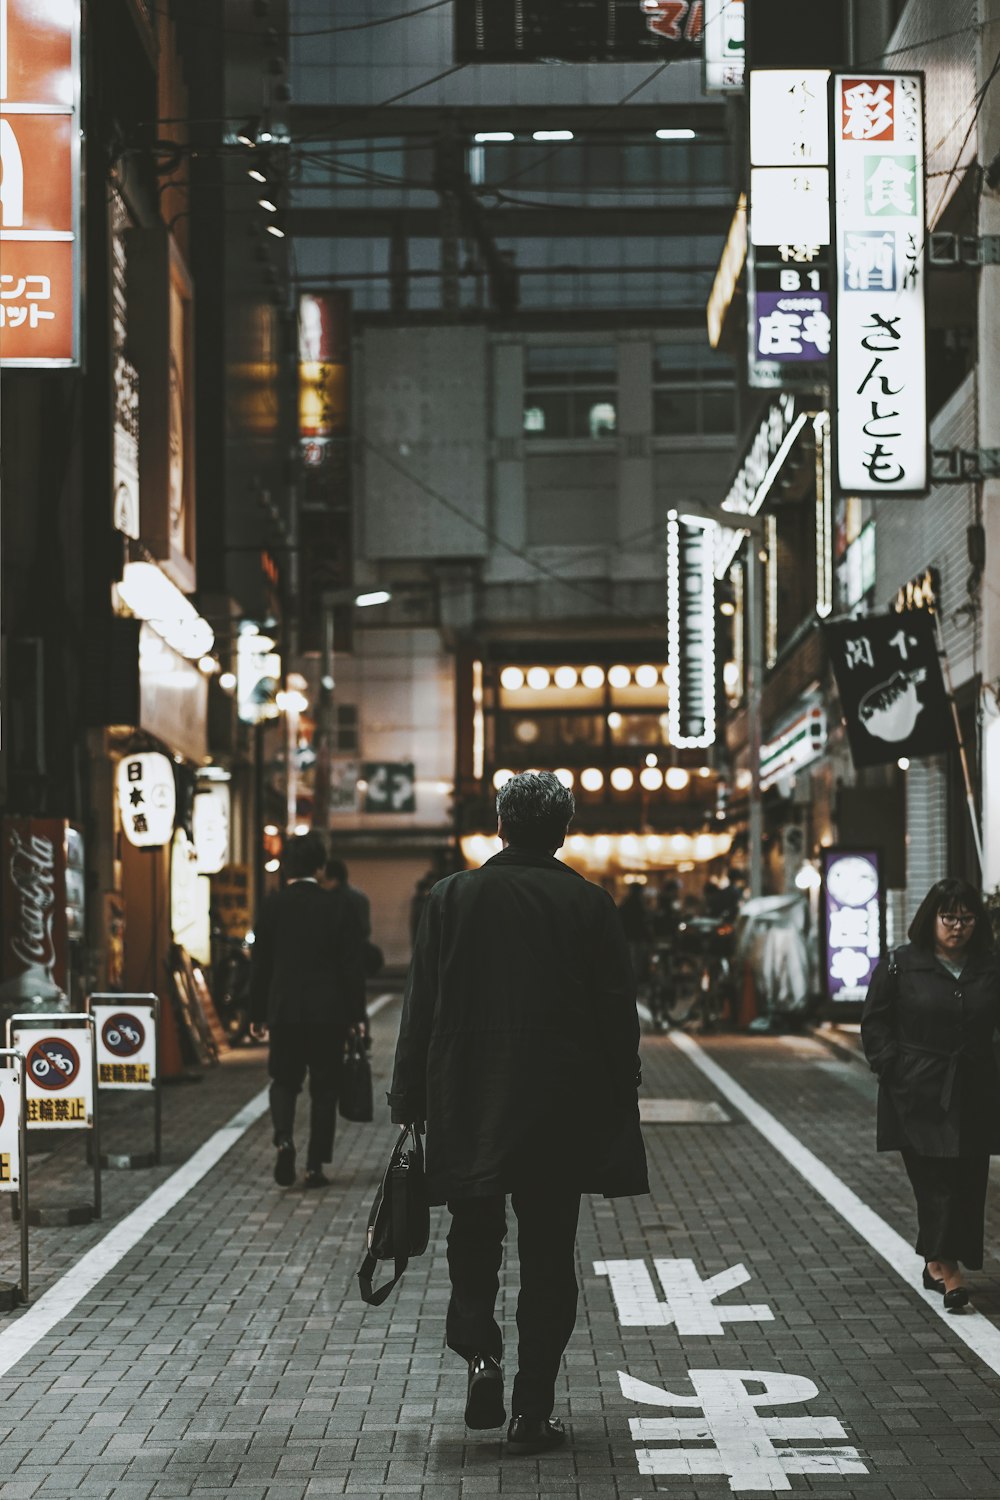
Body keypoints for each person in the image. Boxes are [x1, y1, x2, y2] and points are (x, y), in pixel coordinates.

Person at [389, 771, 648, 1455]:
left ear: (499, 826)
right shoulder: (589, 904)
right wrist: (621, 1091)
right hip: (558, 1104)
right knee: (548, 1254)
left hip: (468, 1097)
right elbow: (617, 1015)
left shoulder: (450, 898)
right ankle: (532, 1408)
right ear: (562, 830)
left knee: (474, 1241)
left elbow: (421, 1006)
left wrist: (407, 1097)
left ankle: (481, 1355)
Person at [861, 877, 1000, 1311]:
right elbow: (875, 1021)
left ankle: (935, 1264)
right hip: (916, 1090)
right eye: (948, 917)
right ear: (930, 919)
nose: (957, 926)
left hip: (974, 1088)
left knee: (967, 1180)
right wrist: (891, 1066)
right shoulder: (901, 964)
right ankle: (950, 1269)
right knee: (934, 1181)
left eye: (966, 917)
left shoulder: (989, 968)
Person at [250, 831, 366, 1189]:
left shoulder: (273, 906)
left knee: (284, 1080)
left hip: (285, 1010)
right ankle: (315, 1165)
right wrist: (356, 1016)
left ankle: (284, 1138)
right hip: (328, 1013)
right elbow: (351, 966)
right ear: (320, 867)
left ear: (287, 867)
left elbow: (261, 964)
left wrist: (257, 1013)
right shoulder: (338, 907)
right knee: (325, 1089)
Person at [618, 882, 651, 986]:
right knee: (637, 962)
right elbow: (645, 921)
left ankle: (630, 983)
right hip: (637, 937)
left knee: (631, 962)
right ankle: (635, 983)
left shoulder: (625, 903)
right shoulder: (640, 904)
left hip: (628, 936)